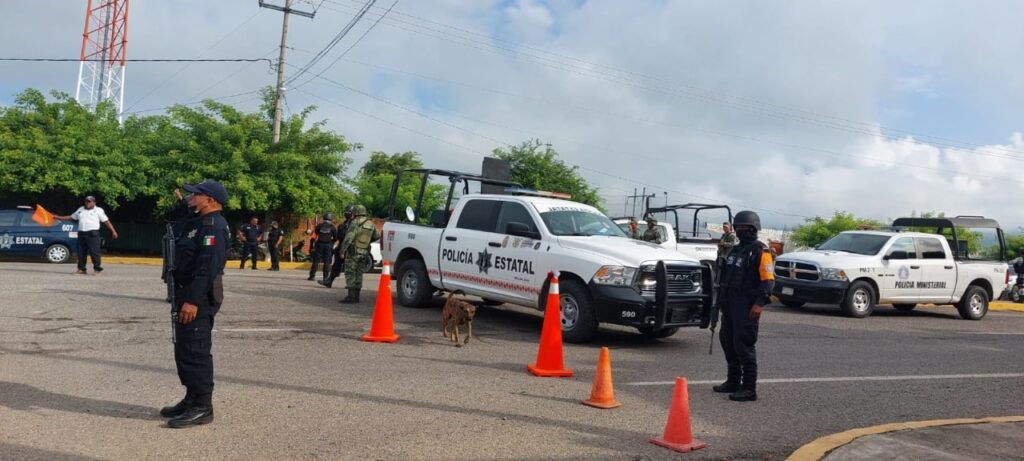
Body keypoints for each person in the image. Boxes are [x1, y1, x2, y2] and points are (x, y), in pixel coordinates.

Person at [160, 179, 229, 428]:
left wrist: (192, 301)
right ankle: (191, 398)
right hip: (184, 293)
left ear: (210, 200)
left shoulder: (214, 227)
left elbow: (206, 269)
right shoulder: (196, 221)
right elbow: (176, 223)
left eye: (196, 194)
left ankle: (203, 406)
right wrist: (182, 204)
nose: (191, 197)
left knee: (196, 350)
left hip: (198, 298)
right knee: (184, 349)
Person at [713, 210, 774, 402]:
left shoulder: (761, 250)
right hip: (730, 304)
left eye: (744, 228)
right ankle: (733, 381)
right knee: (727, 341)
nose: (740, 231)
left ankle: (749, 388)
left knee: (744, 344)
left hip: (747, 305)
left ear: (754, 229)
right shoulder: (736, 249)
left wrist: (759, 304)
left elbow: (768, 280)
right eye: (738, 227)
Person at [54, 195, 119, 275]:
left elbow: (106, 221)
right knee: (81, 252)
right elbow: (71, 217)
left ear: (94, 202)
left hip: (93, 233)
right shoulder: (81, 209)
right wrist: (58, 217)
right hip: (81, 233)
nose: (87, 203)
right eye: (86, 201)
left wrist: (113, 231)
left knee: (94, 252)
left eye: (89, 201)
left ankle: (97, 269)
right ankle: (81, 269)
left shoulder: (98, 210)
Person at [338, 205, 378, 303]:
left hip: (353, 252)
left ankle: (351, 297)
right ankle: (357, 297)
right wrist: (366, 242)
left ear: (355, 212)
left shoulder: (355, 222)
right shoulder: (370, 223)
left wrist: (342, 250)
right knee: (359, 273)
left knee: (350, 273)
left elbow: (349, 237)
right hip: (364, 253)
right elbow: (377, 236)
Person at [320, 206, 354, 288]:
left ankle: (351, 284)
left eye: (348, 212)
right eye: (346, 212)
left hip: (350, 248)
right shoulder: (345, 223)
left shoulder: (355, 224)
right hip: (341, 246)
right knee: (336, 265)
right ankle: (329, 281)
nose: (346, 213)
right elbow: (339, 235)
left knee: (349, 267)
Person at [308, 213, 336, 282]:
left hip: (319, 245)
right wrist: (332, 243)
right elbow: (336, 238)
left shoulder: (319, 226)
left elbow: (314, 236)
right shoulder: (332, 227)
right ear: (331, 219)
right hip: (328, 245)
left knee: (316, 260)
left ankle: (312, 276)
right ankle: (325, 277)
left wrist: (311, 246)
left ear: (324, 218)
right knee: (327, 261)